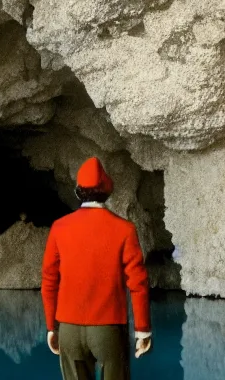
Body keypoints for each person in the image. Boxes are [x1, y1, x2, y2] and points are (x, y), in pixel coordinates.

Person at [41, 156, 152, 380]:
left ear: (78, 191)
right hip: (109, 328)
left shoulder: (59, 228)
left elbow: (49, 280)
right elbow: (138, 283)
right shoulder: (125, 229)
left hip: (69, 329)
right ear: (107, 191)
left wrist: (52, 326)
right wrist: (142, 330)